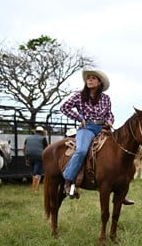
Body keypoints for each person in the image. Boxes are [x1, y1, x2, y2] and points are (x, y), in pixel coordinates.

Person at [60, 68, 134, 205]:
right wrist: (78, 117)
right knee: (81, 150)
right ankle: (68, 181)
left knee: (119, 150)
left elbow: (109, 114)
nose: (89, 80)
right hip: (86, 128)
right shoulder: (79, 96)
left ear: (99, 82)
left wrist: (110, 121)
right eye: (88, 78)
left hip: (102, 129)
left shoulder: (106, 98)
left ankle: (121, 191)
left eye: (93, 78)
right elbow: (64, 107)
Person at [24, 126, 48, 192]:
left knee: (34, 173)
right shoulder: (43, 138)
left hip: (29, 155)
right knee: (37, 173)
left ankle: (35, 187)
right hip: (39, 156)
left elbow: (24, 148)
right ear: (42, 132)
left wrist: (26, 158)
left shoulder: (28, 138)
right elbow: (46, 149)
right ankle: (34, 189)